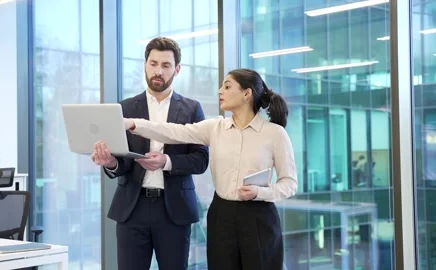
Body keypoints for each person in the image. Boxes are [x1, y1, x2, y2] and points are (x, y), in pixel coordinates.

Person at [123, 68, 298, 270]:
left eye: (227, 86)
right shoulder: (215, 127)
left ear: (246, 93)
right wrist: (132, 123)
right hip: (221, 215)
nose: (219, 90)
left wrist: (261, 192)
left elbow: (290, 183)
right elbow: (172, 131)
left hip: (259, 217)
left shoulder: (275, 134)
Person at [91, 37, 209, 270]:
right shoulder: (124, 108)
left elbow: (201, 160)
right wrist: (111, 161)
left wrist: (167, 161)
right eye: (153, 64)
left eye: (165, 66)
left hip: (174, 210)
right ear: (145, 65)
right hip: (132, 209)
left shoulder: (191, 108)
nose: (158, 71)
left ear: (177, 69)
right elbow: (122, 161)